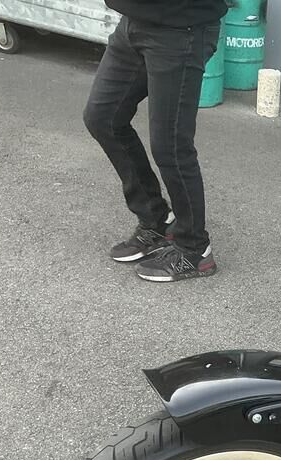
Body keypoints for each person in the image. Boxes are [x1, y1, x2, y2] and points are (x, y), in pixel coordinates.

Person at [83, 0, 227, 282]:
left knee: (171, 145)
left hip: (181, 27)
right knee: (103, 118)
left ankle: (194, 248)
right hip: (133, 20)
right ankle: (157, 219)